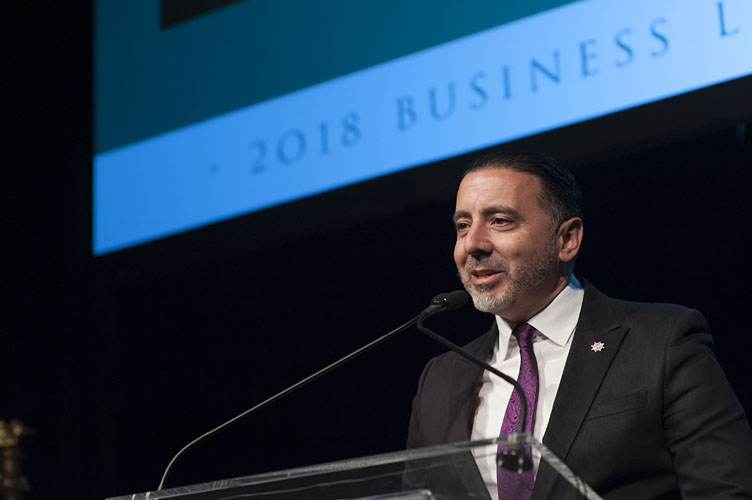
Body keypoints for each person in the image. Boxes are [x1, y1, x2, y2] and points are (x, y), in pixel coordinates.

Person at [406, 151, 752, 499]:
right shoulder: (440, 379)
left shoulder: (662, 342)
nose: (472, 244)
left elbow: (727, 490)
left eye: (500, 220)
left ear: (566, 239)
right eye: (463, 226)